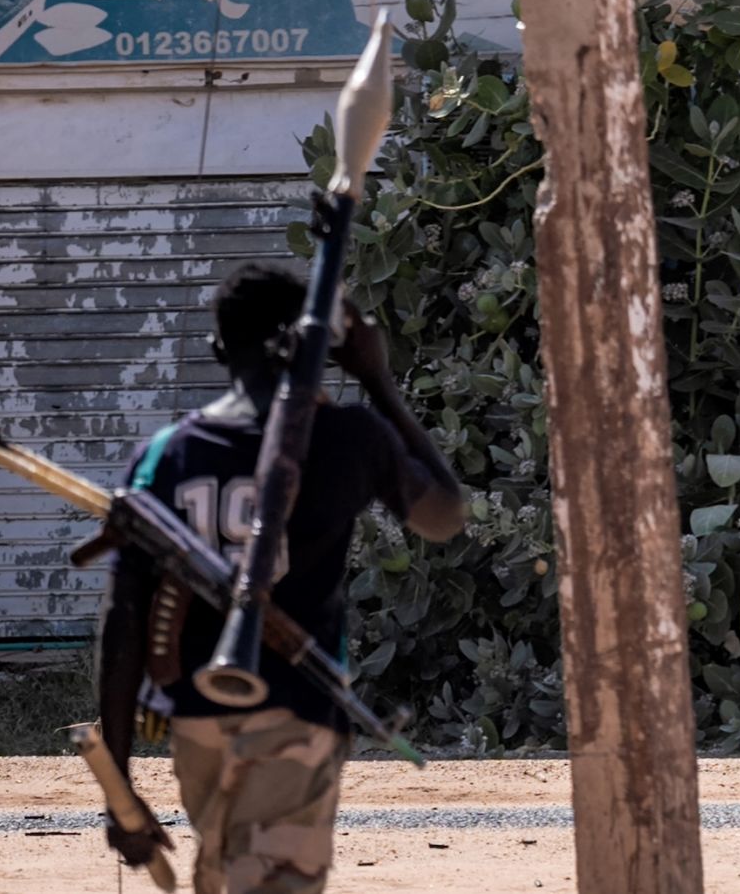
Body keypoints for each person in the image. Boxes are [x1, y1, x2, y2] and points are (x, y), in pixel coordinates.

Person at [97, 261, 468, 893]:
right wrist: (375, 377)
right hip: (296, 716)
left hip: (196, 724)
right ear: (313, 344)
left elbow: (123, 622)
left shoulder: (162, 456)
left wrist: (120, 784)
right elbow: (445, 516)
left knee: (228, 877)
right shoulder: (350, 437)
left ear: (218, 348)